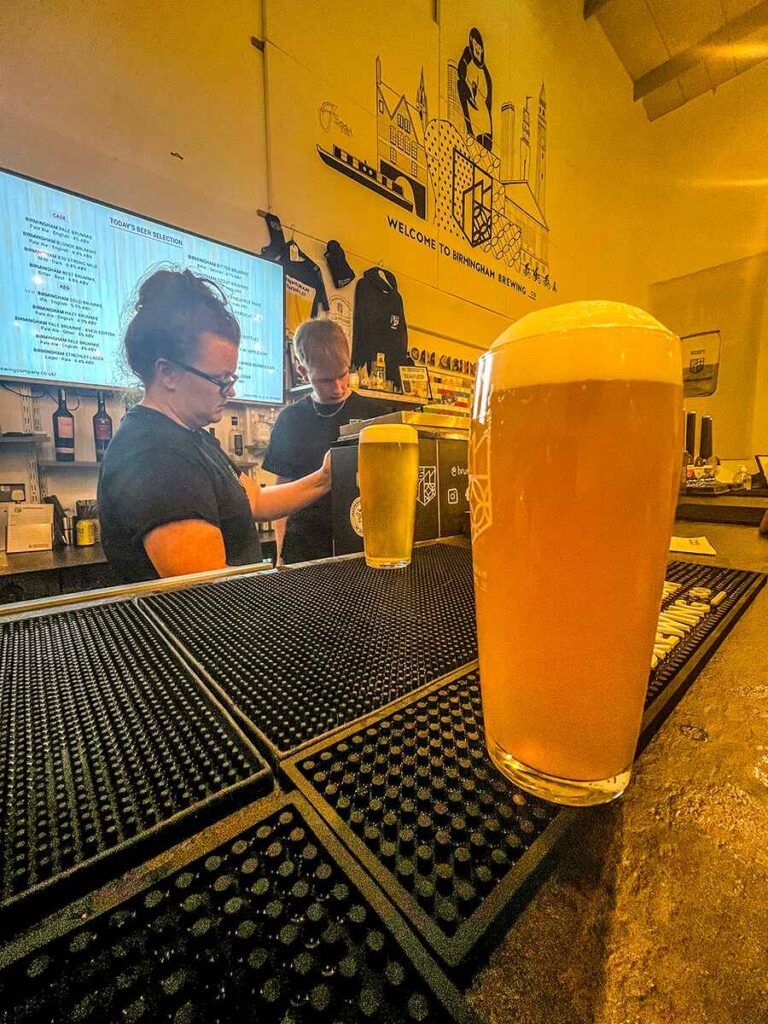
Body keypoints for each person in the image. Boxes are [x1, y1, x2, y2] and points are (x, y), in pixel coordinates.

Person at [98, 269, 330, 582]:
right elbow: (209, 595)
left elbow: (256, 501)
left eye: (231, 379)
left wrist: (326, 477)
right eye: (220, 380)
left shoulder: (191, 437)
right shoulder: (154, 456)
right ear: (167, 373)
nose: (230, 392)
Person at [262, 319, 382, 564]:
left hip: (362, 545)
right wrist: (279, 554)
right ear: (302, 372)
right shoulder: (290, 420)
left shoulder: (376, 415)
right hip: (304, 549)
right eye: (326, 380)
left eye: (343, 375)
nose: (338, 387)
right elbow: (281, 491)